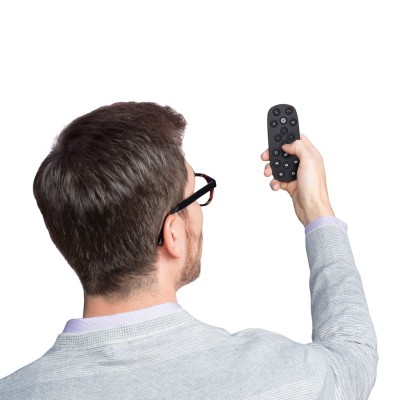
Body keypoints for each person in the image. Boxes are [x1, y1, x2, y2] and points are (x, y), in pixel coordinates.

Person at [0, 102, 377, 399]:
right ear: (172, 234)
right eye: (195, 193)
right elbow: (352, 359)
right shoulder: (276, 377)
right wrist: (318, 213)